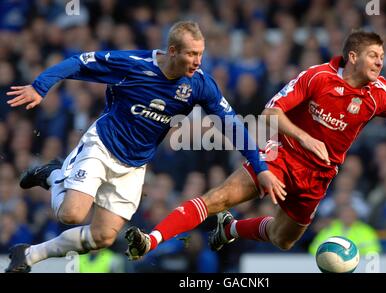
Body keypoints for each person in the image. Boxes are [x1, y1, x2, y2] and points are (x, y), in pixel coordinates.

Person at [125, 30, 386, 260]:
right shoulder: (317, 77)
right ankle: (151, 240)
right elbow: (270, 113)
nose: (380, 63)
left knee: (283, 239)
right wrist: (305, 138)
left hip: (319, 175)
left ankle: (232, 229)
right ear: (353, 56)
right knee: (219, 198)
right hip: (281, 156)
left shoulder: (382, 94)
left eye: (382, 57)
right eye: (374, 56)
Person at [4, 21, 284, 273]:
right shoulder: (134, 65)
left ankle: (28, 255)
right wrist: (40, 87)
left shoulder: (200, 85)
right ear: (172, 51)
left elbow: (233, 125)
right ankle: (54, 174)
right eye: (191, 54)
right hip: (102, 146)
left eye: (201, 54)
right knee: (71, 214)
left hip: (134, 165)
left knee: (102, 238)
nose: (198, 61)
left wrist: (260, 167)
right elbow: (79, 62)